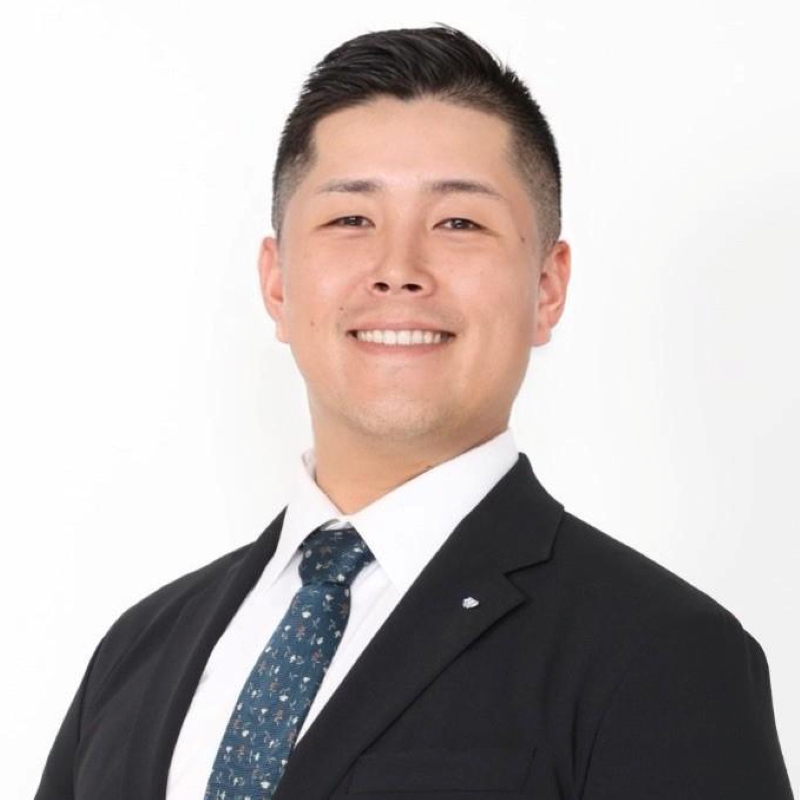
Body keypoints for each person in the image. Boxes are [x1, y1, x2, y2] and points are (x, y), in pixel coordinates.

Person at [35, 24, 793, 800]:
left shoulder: (663, 655)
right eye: (350, 220)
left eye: (459, 222)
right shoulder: (138, 651)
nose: (398, 270)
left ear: (547, 287)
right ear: (277, 282)